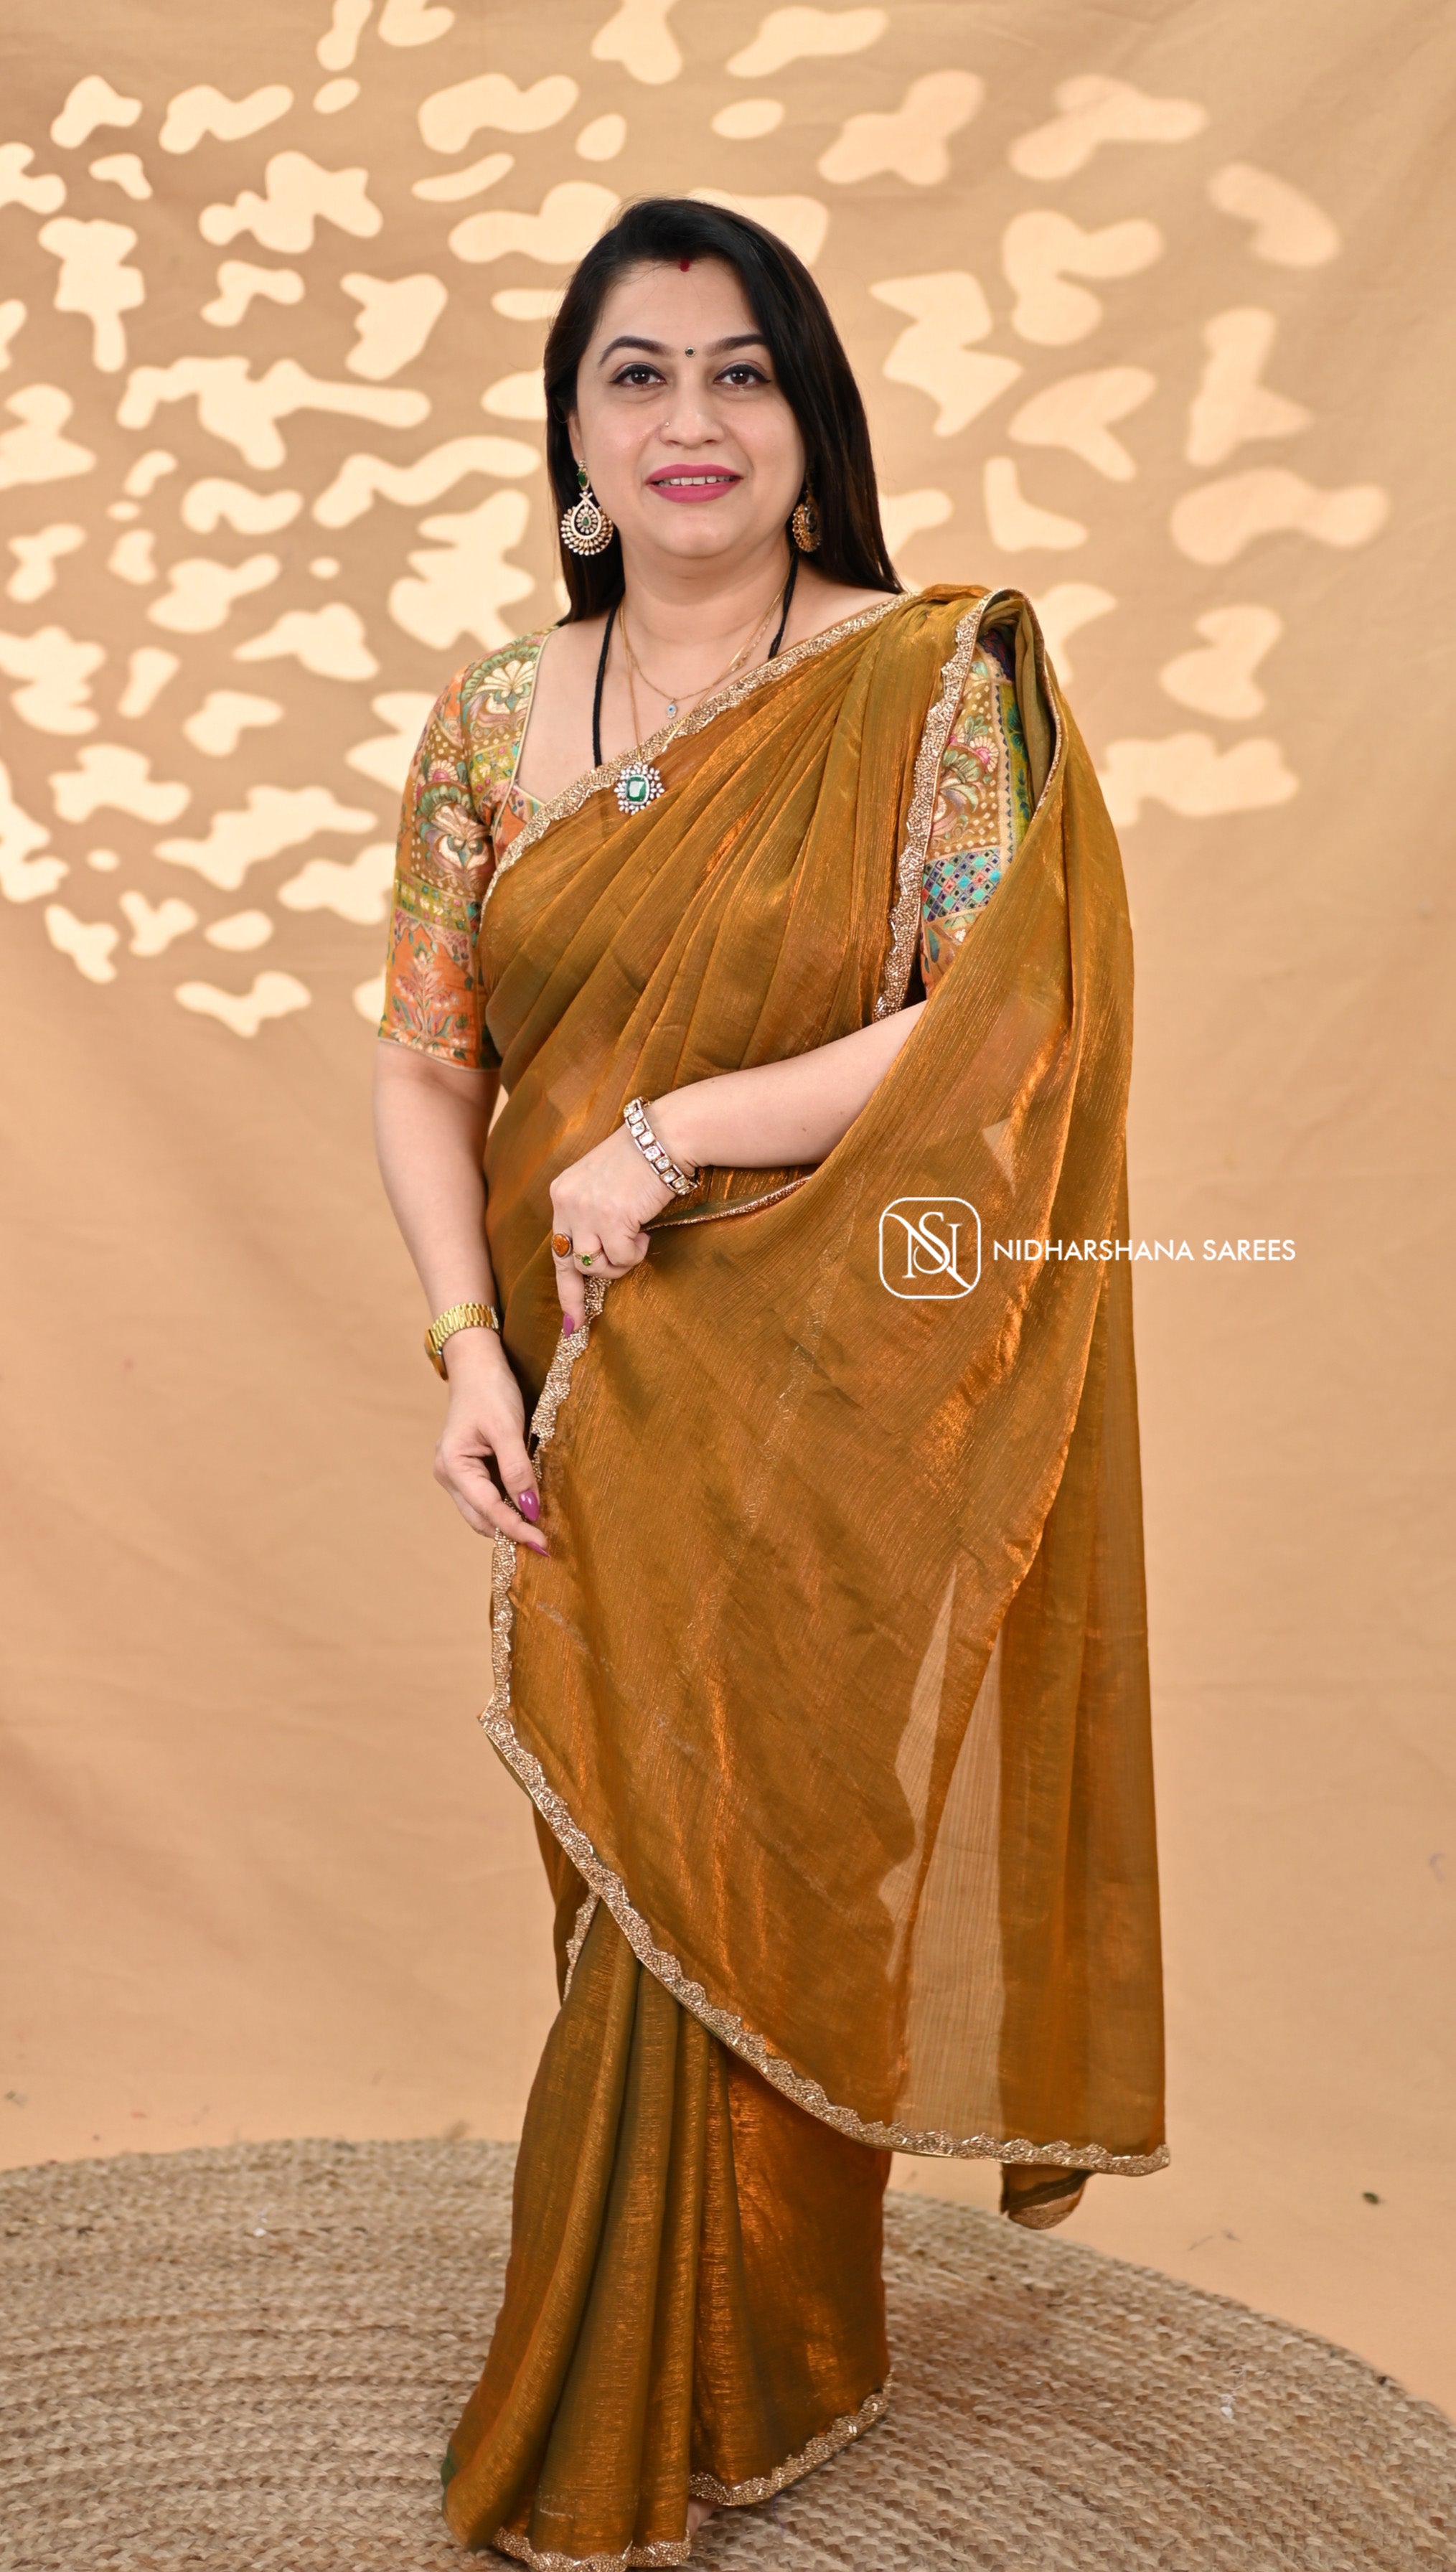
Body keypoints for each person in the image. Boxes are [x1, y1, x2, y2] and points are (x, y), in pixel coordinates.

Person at [374, 196, 1165, 2569]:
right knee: (622, 1864)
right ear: (575, 438)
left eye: (745, 370)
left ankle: (708, 2377)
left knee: (756, 1854)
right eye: (638, 373)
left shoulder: (932, 686)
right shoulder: (493, 718)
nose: (692, 417)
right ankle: (700, 2355)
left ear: (813, 424)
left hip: (828, 1375)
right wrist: (463, 1341)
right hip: (579, 1374)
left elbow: (996, 1018)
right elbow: (426, 1061)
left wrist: (671, 1131)